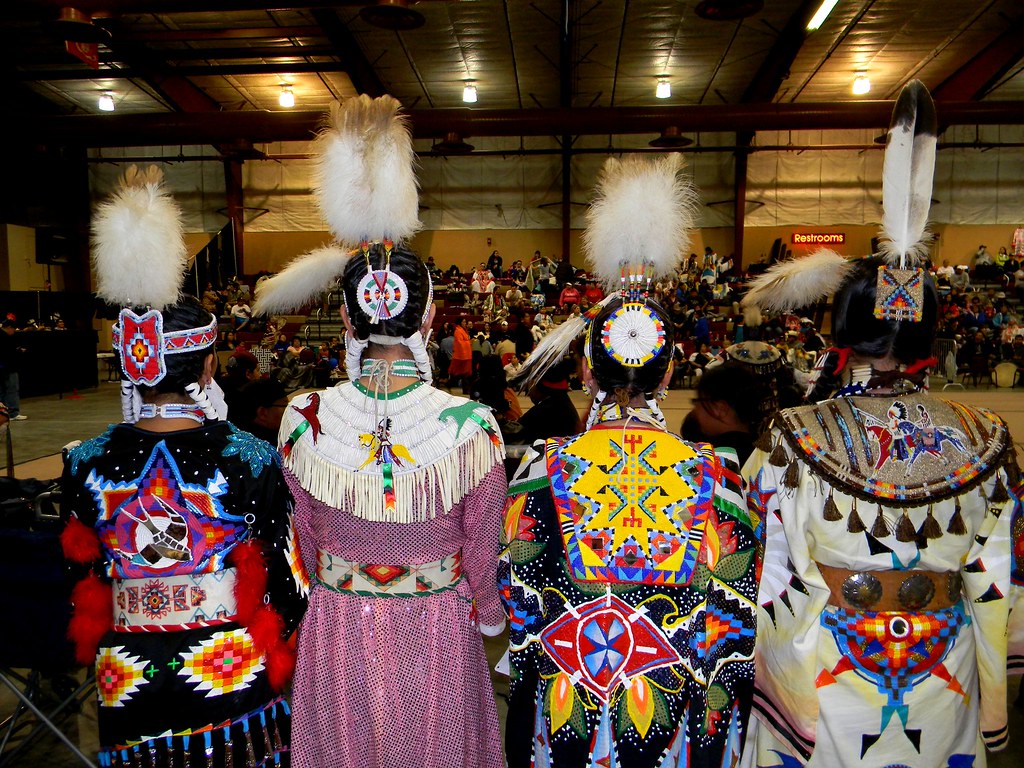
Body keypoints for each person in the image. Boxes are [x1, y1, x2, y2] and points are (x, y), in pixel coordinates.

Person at [738, 81, 1022, 768]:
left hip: (832, 669)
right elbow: (1002, 575)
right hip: (941, 669)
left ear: (841, 330)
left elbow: (758, 565)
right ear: (928, 329)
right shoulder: (985, 435)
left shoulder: (795, 433)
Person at [251, 95, 507, 768]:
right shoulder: (473, 426)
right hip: (437, 626)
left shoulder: (304, 416)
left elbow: (298, 536)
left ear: (345, 319)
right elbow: (482, 547)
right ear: (428, 324)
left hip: (340, 620)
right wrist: (488, 612)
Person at [501, 153, 756, 767]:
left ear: (585, 369)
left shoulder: (540, 465)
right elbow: (735, 627)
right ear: (669, 372)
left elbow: (517, 602)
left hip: (567, 725)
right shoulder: (719, 473)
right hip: (672, 731)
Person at [60, 165, 307, 767]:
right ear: (205, 369)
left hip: (130, 680)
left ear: (130, 365)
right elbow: (289, 583)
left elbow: (80, 581)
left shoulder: (83, 462)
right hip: (227, 678)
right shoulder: (248, 457)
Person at [0, 319, 25, 420]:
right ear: (9, 327)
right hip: (9, 368)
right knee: (12, 390)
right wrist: (18, 351)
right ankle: (13, 412)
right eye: (13, 330)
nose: (13, 332)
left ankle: (2, 413)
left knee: (2, 391)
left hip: (2, 368)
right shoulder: (5, 338)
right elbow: (9, 354)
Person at [448, 315, 473, 391]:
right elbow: (460, 343)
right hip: (461, 355)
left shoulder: (463, 330)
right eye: (464, 322)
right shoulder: (458, 331)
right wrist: (469, 343)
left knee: (463, 374)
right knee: (459, 373)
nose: (465, 323)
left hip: (465, 355)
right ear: (460, 322)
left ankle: (464, 388)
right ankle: (451, 384)